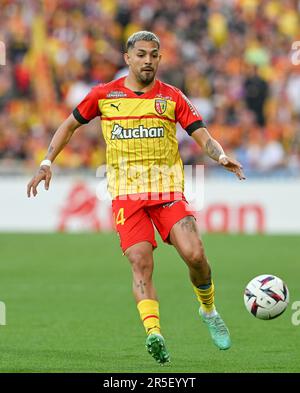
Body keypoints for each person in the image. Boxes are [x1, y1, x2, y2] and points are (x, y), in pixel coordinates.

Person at [27, 31, 245, 365]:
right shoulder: (104, 95)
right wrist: (45, 163)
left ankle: (208, 309)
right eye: (141, 54)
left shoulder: (171, 97)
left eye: (154, 55)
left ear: (160, 58)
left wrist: (220, 155)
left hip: (166, 191)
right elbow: (68, 126)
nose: (147, 60)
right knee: (141, 263)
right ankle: (154, 333)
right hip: (127, 197)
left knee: (196, 254)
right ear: (127, 57)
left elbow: (201, 134)